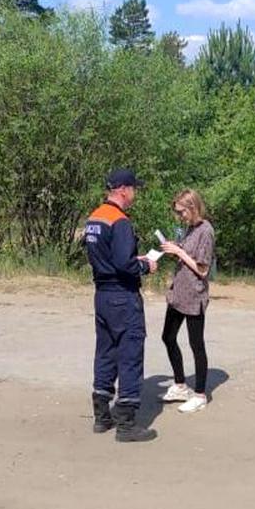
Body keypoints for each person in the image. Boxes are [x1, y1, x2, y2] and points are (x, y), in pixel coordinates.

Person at [84, 169, 158, 442]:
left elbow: (107, 255)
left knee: (105, 352)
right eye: (134, 188)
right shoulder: (120, 221)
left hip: (102, 294)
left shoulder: (95, 217)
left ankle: (102, 416)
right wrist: (146, 265)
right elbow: (125, 264)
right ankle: (126, 423)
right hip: (123, 296)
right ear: (123, 189)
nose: (135, 193)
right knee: (129, 354)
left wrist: (128, 258)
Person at [159, 189, 215, 414]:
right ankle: (180, 384)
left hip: (194, 294)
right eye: (177, 213)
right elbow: (187, 256)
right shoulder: (189, 229)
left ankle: (200, 394)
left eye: (181, 212)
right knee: (168, 337)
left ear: (192, 208)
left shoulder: (206, 231)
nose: (179, 216)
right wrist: (175, 250)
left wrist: (179, 253)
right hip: (178, 292)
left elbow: (202, 268)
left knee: (196, 343)